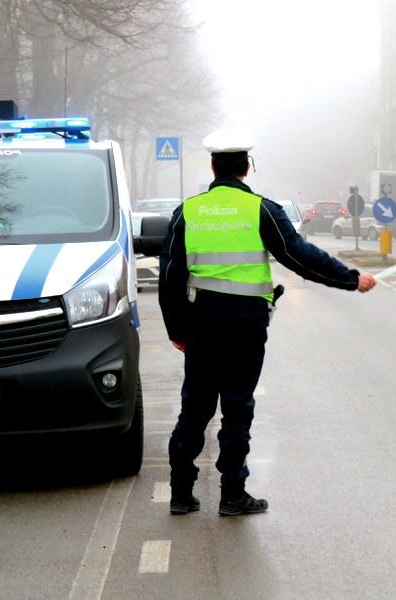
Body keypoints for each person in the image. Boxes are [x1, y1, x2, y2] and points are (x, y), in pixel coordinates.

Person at [159, 130, 376, 517]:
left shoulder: (188, 211)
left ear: (213, 167)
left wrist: (177, 330)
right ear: (247, 167)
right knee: (237, 407)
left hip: (202, 324)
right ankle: (232, 494)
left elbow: (170, 276)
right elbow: (300, 256)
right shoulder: (262, 210)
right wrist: (349, 279)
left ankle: (180, 493)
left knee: (195, 407)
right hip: (245, 325)